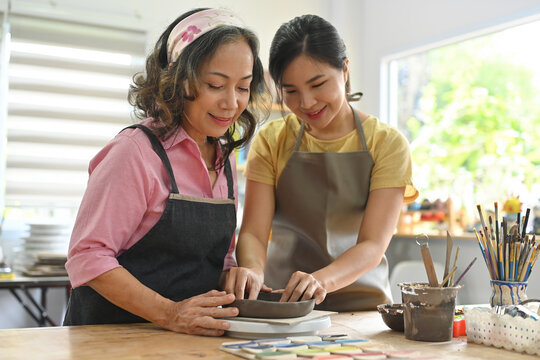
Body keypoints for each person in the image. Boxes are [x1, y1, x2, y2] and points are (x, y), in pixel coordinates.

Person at [63, 8, 270, 335]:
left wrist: (233, 272)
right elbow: (87, 257)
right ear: (177, 81)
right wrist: (170, 313)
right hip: (107, 342)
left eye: (243, 87)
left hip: (184, 344)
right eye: (216, 85)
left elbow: (207, 258)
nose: (232, 103)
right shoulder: (134, 152)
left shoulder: (225, 157)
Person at [225, 14, 419, 311]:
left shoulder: (388, 144)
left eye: (318, 84)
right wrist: (252, 269)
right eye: (290, 91)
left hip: (363, 307)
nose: (306, 103)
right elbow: (253, 231)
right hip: (285, 303)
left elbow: (372, 245)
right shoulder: (271, 141)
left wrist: (321, 282)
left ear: (344, 70)